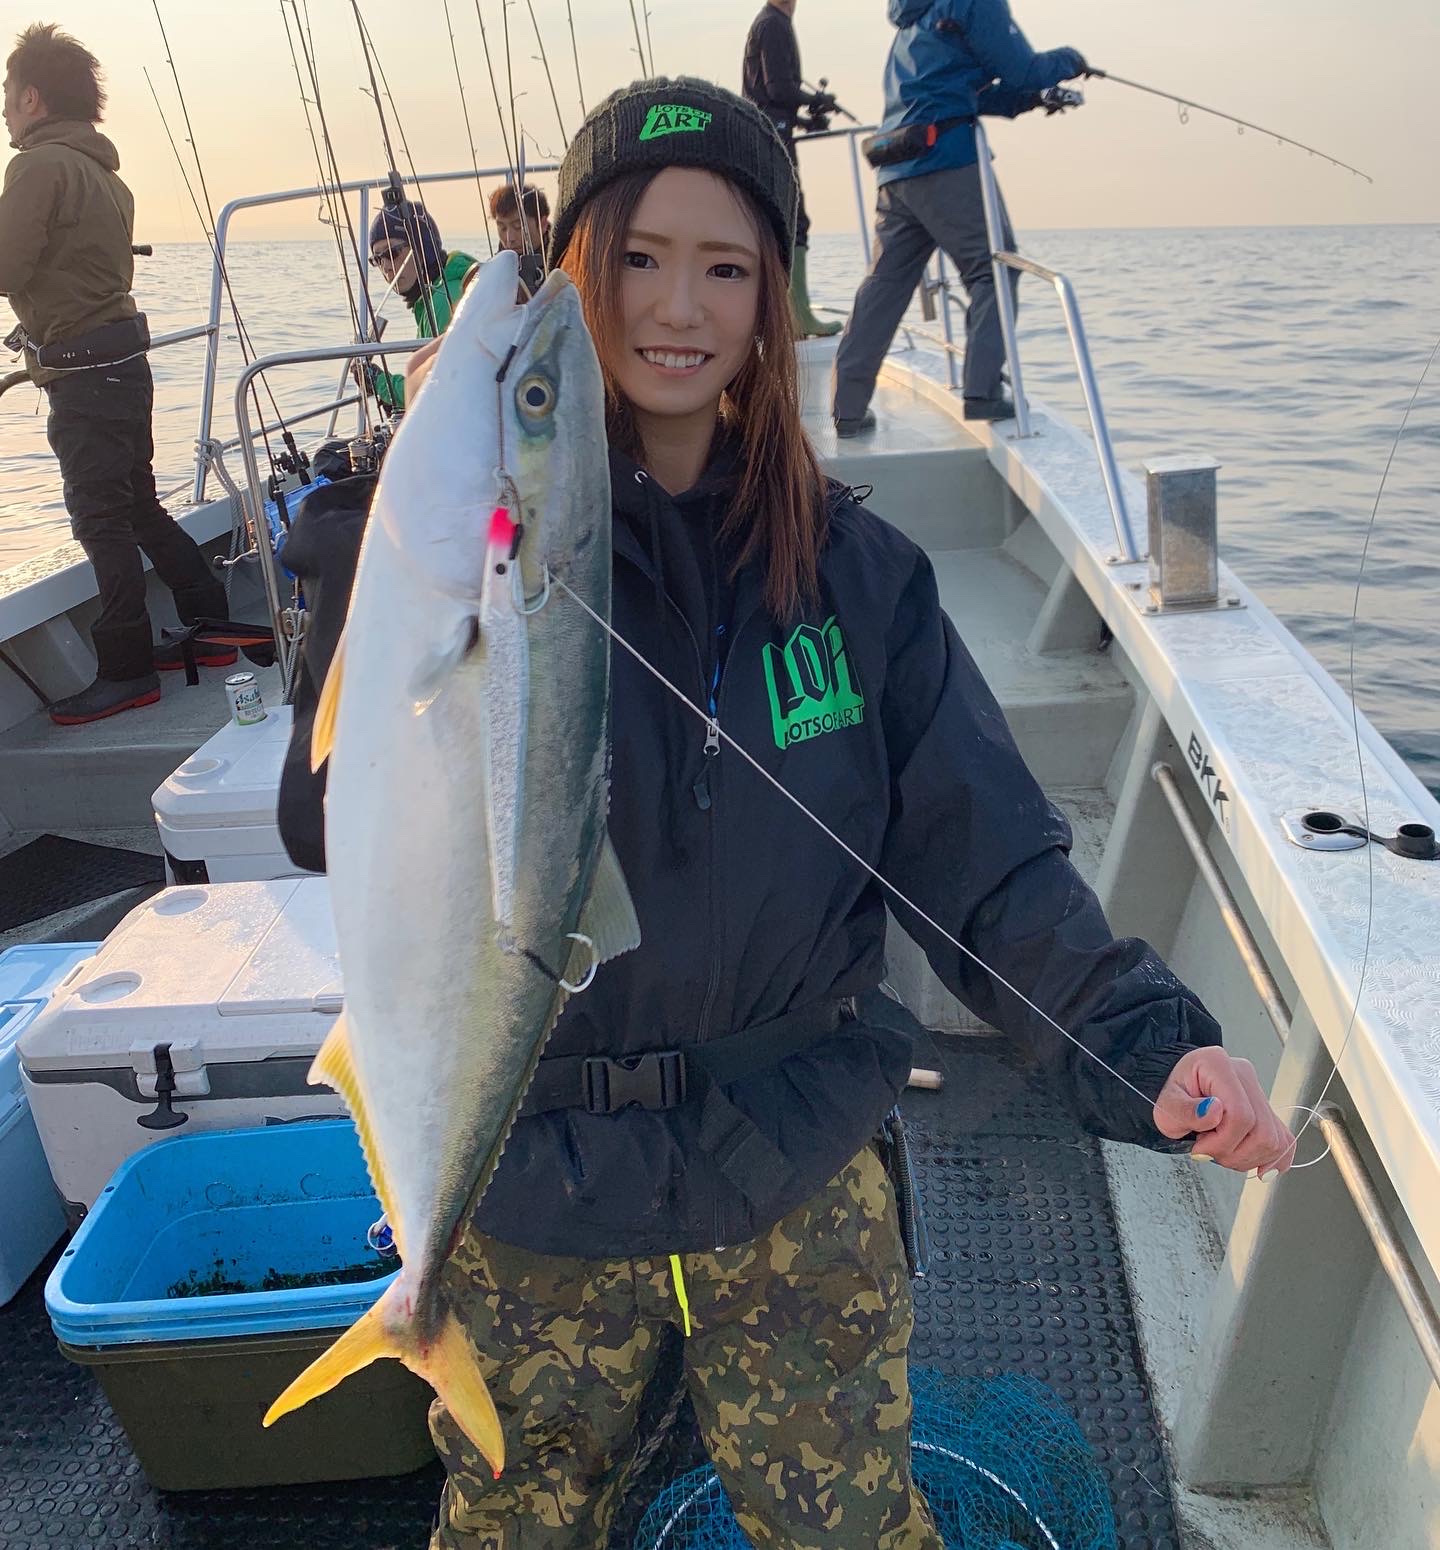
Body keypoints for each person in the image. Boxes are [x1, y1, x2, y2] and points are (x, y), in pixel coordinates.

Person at [404, 78, 1294, 1550]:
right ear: (568, 279)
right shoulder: (463, 562)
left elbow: (988, 868)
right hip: (538, 1182)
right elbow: (335, 820)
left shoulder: (862, 584)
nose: (676, 304)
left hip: (793, 1159)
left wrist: (1148, 1041)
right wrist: (368, 571)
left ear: (775, 304)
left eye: (727, 265)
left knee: (847, 1526)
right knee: (515, 1522)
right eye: (635, 255)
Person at [0, 23, 236, 726]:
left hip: (84, 377)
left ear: (34, 98)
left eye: (8, 96)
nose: (5, 111)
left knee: (100, 520)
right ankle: (208, 621)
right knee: (137, 505)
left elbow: (7, 268)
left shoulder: (37, 168)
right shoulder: (105, 174)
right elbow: (79, 274)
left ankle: (128, 670)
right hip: (125, 366)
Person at [831, 0, 1087, 436]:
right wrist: (1070, 61)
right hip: (947, 163)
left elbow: (962, 87)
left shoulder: (912, 16)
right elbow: (1023, 68)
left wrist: (1032, 99)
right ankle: (982, 392)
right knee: (995, 272)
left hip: (898, 169)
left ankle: (846, 409)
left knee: (885, 287)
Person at [742, 0, 841, 338]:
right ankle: (797, 316)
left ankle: (786, 315)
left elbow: (770, 96)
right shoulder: (772, 24)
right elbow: (778, 89)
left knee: (784, 220)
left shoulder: (773, 22)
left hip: (771, 131)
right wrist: (816, 102)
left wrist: (801, 120)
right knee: (792, 221)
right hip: (772, 138)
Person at [361, 198, 477, 412]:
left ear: (422, 248)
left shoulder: (444, 301)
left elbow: (431, 390)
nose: (386, 266)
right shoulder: (435, 296)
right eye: (377, 259)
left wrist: (377, 382)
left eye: (391, 253)